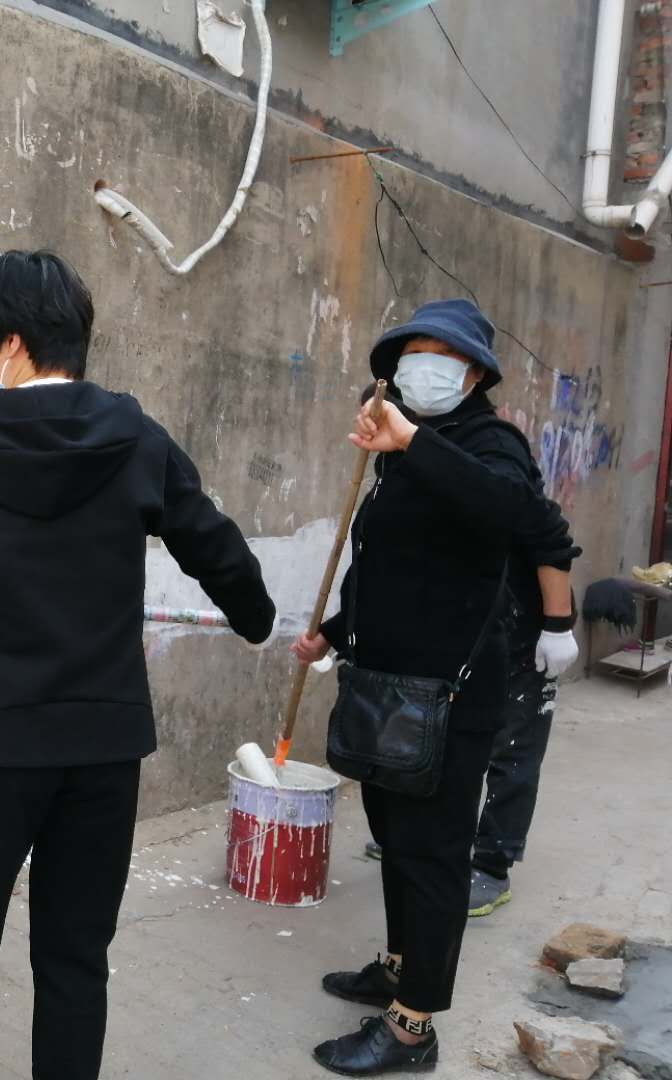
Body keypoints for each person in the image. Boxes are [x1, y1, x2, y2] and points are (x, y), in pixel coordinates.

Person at [0, 250, 275, 1080]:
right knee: (75, 959)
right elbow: (212, 542)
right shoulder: (136, 439)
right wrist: (256, 620)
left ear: (8, 343)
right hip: (101, 740)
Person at [291, 299, 572, 1076]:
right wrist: (335, 632)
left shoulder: (488, 444)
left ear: (474, 370)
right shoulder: (401, 451)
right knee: (396, 839)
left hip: (450, 693)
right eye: (410, 354)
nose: (421, 368)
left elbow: (519, 514)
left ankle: (413, 1027)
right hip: (388, 687)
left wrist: (413, 442)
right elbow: (388, 566)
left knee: (435, 853)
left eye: (439, 355)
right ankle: (397, 965)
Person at [354, 386, 582, 920]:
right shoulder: (405, 463)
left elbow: (548, 538)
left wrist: (556, 626)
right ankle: (420, 842)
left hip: (523, 623)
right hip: (467, 628)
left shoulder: (490, 461)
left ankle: (493, 864)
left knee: (512, 744)